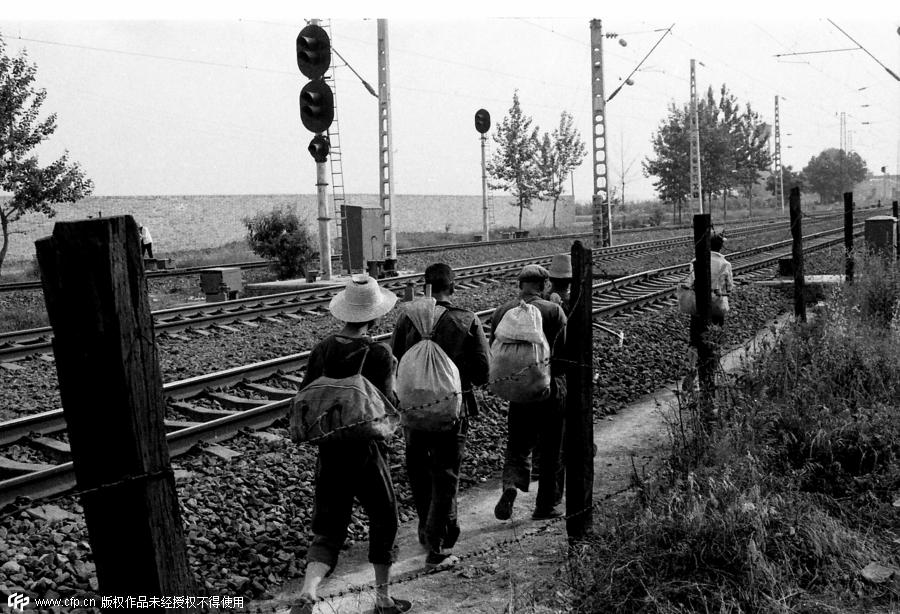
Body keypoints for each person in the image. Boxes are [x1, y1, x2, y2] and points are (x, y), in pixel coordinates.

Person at [292, 274, 411, 614]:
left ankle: (308, 591)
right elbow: (388, 403)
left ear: (344, 313)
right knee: (384, 516)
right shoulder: (378, 353)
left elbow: (306, 394)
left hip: (329, 449)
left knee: (328, 528)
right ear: (375, 316)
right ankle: (383, 598)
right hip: (367, 451)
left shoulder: (323, 349)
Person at [391, 263, 491, 569]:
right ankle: (437, 542)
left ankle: (429, 529)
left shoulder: (408, 318)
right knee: (446, 474)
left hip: (415, 409)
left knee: (420, 471)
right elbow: (484, 371)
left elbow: (396, 355)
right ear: (454, 287)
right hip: (453, 408)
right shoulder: (466, 318)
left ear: (426, 287)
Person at [491, 264, 568, 521]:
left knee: (517, 444)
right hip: (549, 390)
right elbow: (565, 354)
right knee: (551, 448)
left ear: (519, 285)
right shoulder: (553, 311)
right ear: (545, 285)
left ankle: (511, 484)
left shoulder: (503, 311)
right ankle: (545, 505)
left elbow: (495, 349)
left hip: (517, 391)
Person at [681, 231, 734, 392]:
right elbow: (729, 288)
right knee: (714, 342)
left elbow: (689, 282)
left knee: (695, 341)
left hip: (698, 308)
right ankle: (710, 373)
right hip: (716, 309)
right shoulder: (725, 264)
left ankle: (691, 369)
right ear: (720, 246)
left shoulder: (695, 261)